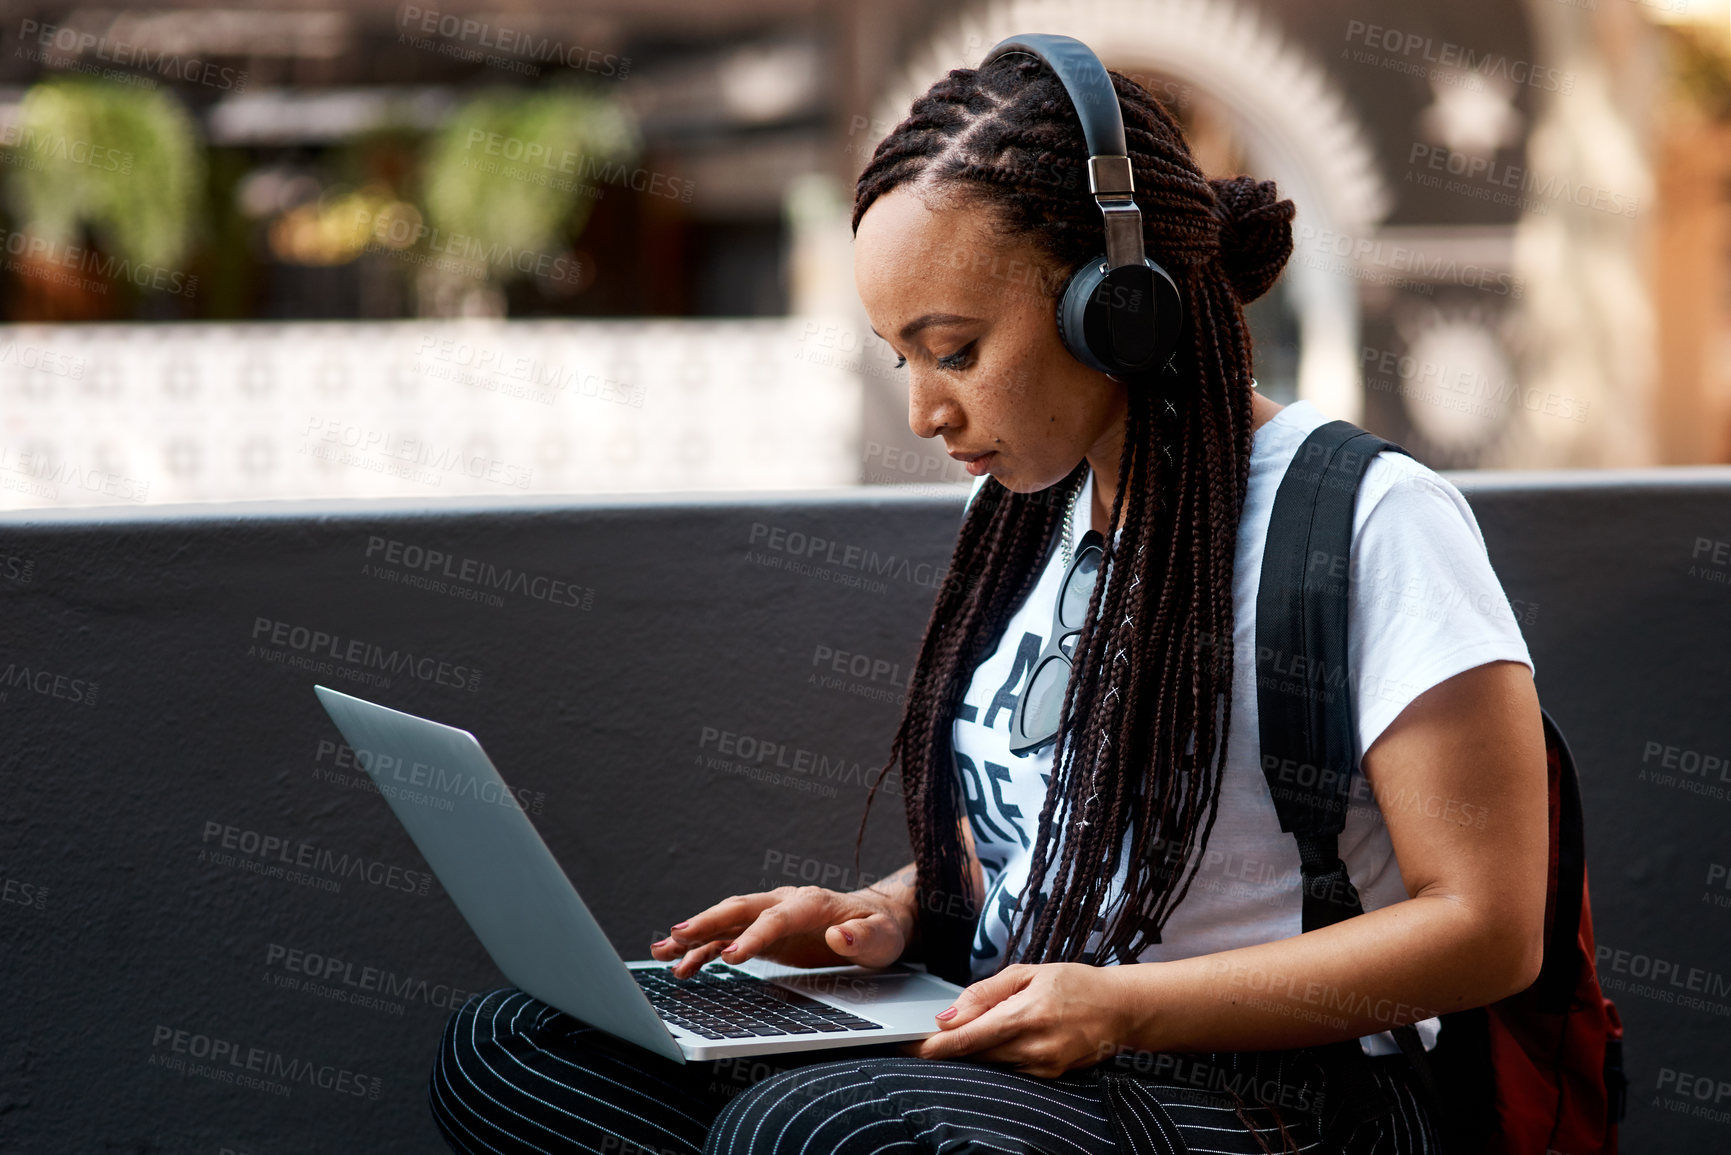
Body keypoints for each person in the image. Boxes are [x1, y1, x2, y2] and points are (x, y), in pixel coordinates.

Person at [428, 42, 1550, 1155]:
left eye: (952, 351)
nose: (923, 410)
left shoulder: (1370, 520)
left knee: (813, 1136)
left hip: (1280, 1097)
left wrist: (1125, 1007)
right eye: (898, 357)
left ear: (1118, 308)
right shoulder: (1022, 512)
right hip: (1026, 1042)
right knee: (514, 1050)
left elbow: (1488, 931)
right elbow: (1045, 830)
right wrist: (888, 910)